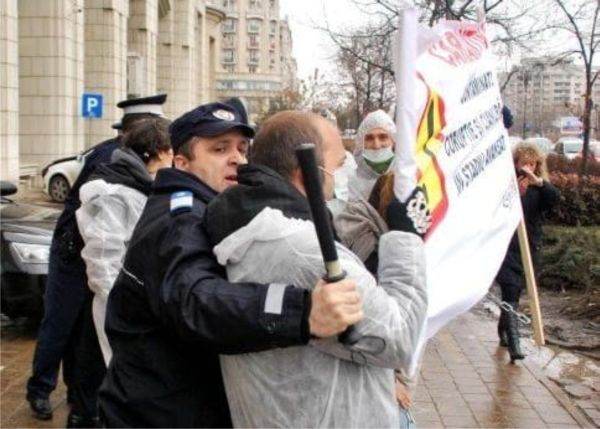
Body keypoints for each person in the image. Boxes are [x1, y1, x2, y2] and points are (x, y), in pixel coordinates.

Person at [98, 102, 363, 428]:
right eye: (219, 149)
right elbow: (194, 299)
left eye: (241, 148)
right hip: (156, 415)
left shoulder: (206, 207)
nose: (237, 158)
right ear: (182, 163)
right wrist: (303, 312)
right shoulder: (179, 217)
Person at [203, 110, 428, 427]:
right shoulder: (306, 250)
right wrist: (406, 239)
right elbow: (400, 338)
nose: (340, 176)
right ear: (305, 170)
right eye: (337, 165)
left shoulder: (249, 226)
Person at [26, 94, 167, 425]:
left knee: (86, 331)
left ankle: (80, 398)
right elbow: (97, 218)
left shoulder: (127, 158)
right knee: (60, 323)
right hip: (73, 252)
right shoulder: (112, 158)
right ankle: (40, 390)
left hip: (94, 251)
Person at [77, 117, 173, 365]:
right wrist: (123, 310)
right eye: (172, 150)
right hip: (121, 309)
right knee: (126, 374)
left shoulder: (138, 184)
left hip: (135, 306)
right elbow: (102, 259)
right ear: (160, 151)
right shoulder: (115, 193)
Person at [495, 142, 559, 362]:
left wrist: (539, 184)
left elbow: (553, 200)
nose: (528, 168)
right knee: (510, 287)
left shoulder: (540, 189)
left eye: (532, 164)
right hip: (507, 246)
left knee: (517, 291)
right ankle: (514, 341)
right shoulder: (506, 184)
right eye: (524, 164)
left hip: (528, 247)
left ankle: (504, 327)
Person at [348, 109, 397, 201]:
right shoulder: (350, 184)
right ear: (361, 144)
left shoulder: (404, 178)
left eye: (383, 137)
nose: (376, 145)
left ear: (393, 141)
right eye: (369, 138)